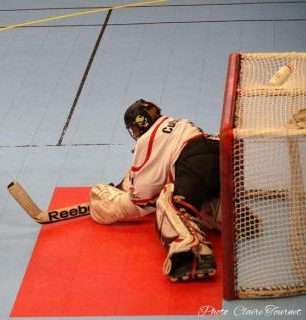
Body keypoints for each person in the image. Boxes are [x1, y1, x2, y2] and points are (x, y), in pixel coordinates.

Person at [88, 99, 220, 282]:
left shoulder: (147, 140)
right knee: (197, 195)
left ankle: (190, 253)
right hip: (219, 154)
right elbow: (165, 165)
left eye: (133, 129)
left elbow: (142, 197)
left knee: (169, 200)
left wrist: (114, 201)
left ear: (141, 123)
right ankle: (228, 215)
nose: (134, 133)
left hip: (195, 162)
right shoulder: (176, 123)